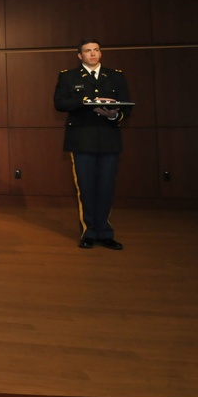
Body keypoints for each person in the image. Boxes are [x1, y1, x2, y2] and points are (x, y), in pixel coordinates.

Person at [53, 39, 131, 251]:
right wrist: (87, 101)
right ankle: (88, 232)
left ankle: (105, 233)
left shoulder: (115, 75)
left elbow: (127, 105)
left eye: (96, 50)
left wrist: (114, 114)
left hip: (109, 138)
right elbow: (60, 103)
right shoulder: (68, 76)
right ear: (80, 56)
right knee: (85, 188)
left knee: (106, 187)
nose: (93, 54)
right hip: (82, 138)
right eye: (87, 51)